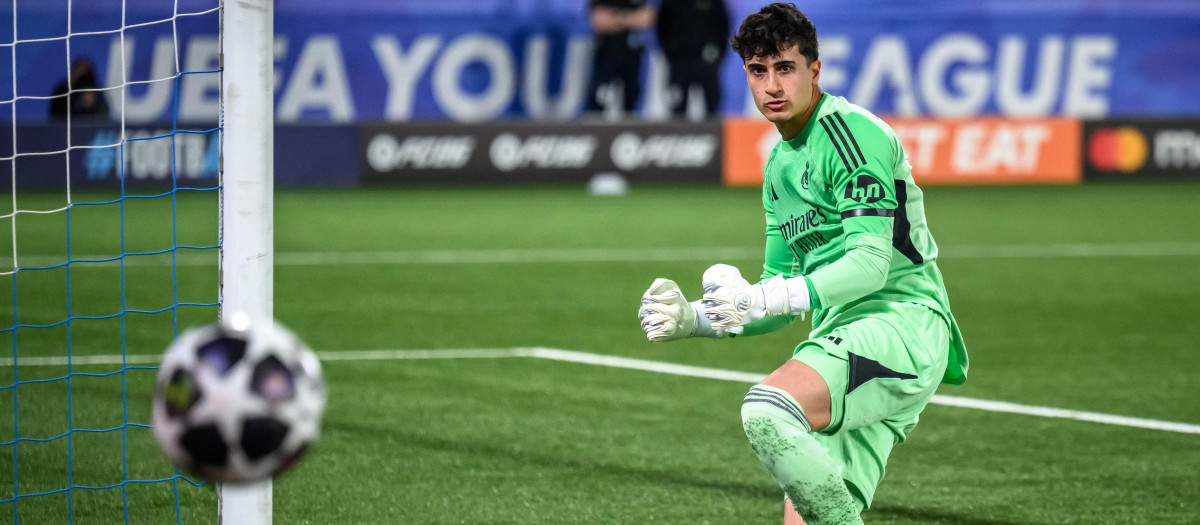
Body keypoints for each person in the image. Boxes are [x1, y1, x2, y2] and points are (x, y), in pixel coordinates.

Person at [637, 3, 968, 524]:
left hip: (900, 323)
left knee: (767, 411)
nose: (772, 85)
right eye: (758, 70)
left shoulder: (852, 135)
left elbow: (870, 265)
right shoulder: (777, 169)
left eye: (785, 68)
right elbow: (775, 294)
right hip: (844, 337)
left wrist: (765, 295)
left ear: (814, 69)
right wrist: (697, 320)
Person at [655, 0, 730, 119]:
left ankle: (713, 133)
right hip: (679, 61)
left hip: (706, 60)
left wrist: (718, 55)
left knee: (712, 104)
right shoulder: (670, 2)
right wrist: (670, 53)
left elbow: (723, 25)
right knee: (677, 106)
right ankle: (676, 135)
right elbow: (662, 25)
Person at [585, 0, 655, 118]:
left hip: (632, 56)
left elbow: (646, 19)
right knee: (599, 98)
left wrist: (615, 16)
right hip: (606, 55)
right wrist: (630, 18)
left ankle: (629, 133)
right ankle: (596, 134)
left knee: (631, 102)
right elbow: (599, 21)